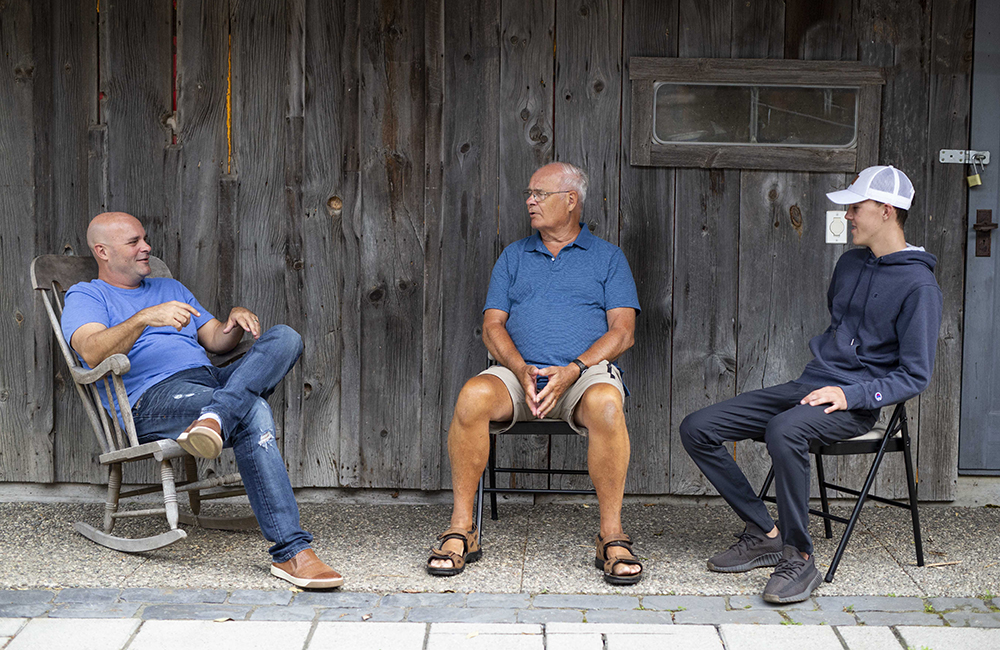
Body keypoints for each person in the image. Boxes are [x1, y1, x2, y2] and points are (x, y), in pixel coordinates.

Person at [680, 165, 943, 603]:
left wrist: (850, 394)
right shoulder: (850, 263)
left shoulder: (920, 286)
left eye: (856, 208)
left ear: (886, 211)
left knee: (786, 430)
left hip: (853, 403)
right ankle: (766, 531)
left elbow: (915, 375)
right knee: (697, 426)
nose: (849, 216)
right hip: (812, 385)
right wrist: (826, 384)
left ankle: (798, 556)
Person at [61, 211, 343, 590]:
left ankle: (215, 416)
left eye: (144, 239)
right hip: (151, 400)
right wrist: (143, 318)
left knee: (286, 337)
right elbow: (92, 352)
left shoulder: (171, 287)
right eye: (134, 242)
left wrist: (233, 323)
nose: (146, 247)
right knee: (253, 408)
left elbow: (215, 340)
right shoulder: (87, 294)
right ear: (103, 251)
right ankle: (292, 551)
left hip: (210, 385)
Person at [426, 162, 644, 584]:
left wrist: (574, 369)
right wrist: (521, 368)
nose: (530, 200)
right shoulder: (514, 256)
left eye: (540, 193)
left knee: (607, 406)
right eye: (529, 193)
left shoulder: (607, 258)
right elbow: (492, 326)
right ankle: (461, 529)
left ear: (571, 200)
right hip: (517, 375)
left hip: (583, 375)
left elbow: (624, 331)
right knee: (472, 395)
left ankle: (611, 536)